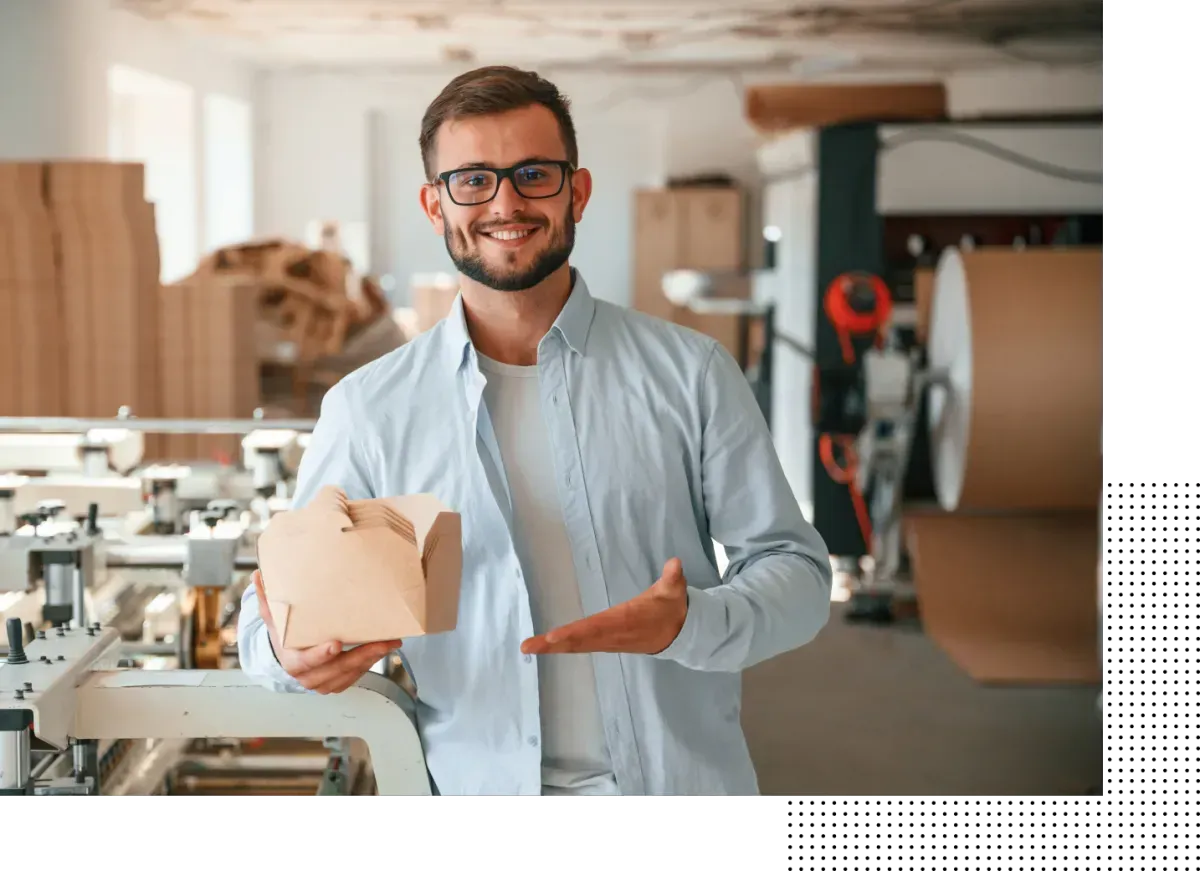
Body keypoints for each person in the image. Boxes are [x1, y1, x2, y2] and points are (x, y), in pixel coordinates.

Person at [238, 65, 833, 799]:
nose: (505, 203)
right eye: (472, 180)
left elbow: (798, 575)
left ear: (576, 192)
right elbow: (272, 616)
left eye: (532, 174)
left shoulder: (692, 374)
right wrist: (288, 652)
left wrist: (693, 622)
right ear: (434, 205)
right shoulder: (369, 409)